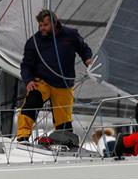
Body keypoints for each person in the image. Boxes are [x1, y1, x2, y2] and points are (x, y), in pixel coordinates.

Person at [17, 9, 93, 142]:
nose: (42, 29)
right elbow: (26, 65)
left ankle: (64, 142)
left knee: (64, 122)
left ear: (54, 22)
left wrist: (88, 61)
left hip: (63, 84)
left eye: (45, 25)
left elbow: (84, 49)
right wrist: (28, 80)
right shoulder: (34, 42)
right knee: (32, 102)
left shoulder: (71, 35)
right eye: (40, 25)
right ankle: (22, 136)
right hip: (42, 81)